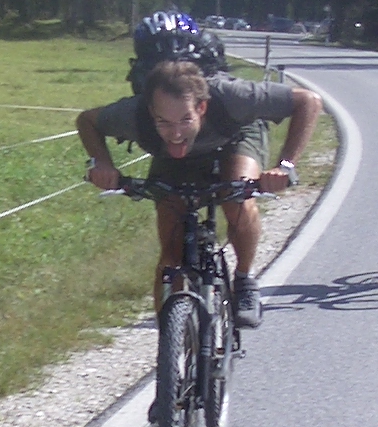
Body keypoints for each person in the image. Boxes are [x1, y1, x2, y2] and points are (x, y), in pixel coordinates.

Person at [79, 59, 321, 330]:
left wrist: (285, 165)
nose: (176, 132)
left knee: (237, 194)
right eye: (163, 121)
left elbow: (308, 101)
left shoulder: (234, 98)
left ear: (201, 107)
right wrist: (102, 163)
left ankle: (244, 280)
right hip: (172, 158)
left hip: (237, 137)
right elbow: (87, 120)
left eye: (185, 119)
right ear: (151, 111)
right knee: (171, 250)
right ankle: (172, 336)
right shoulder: (134, 114)